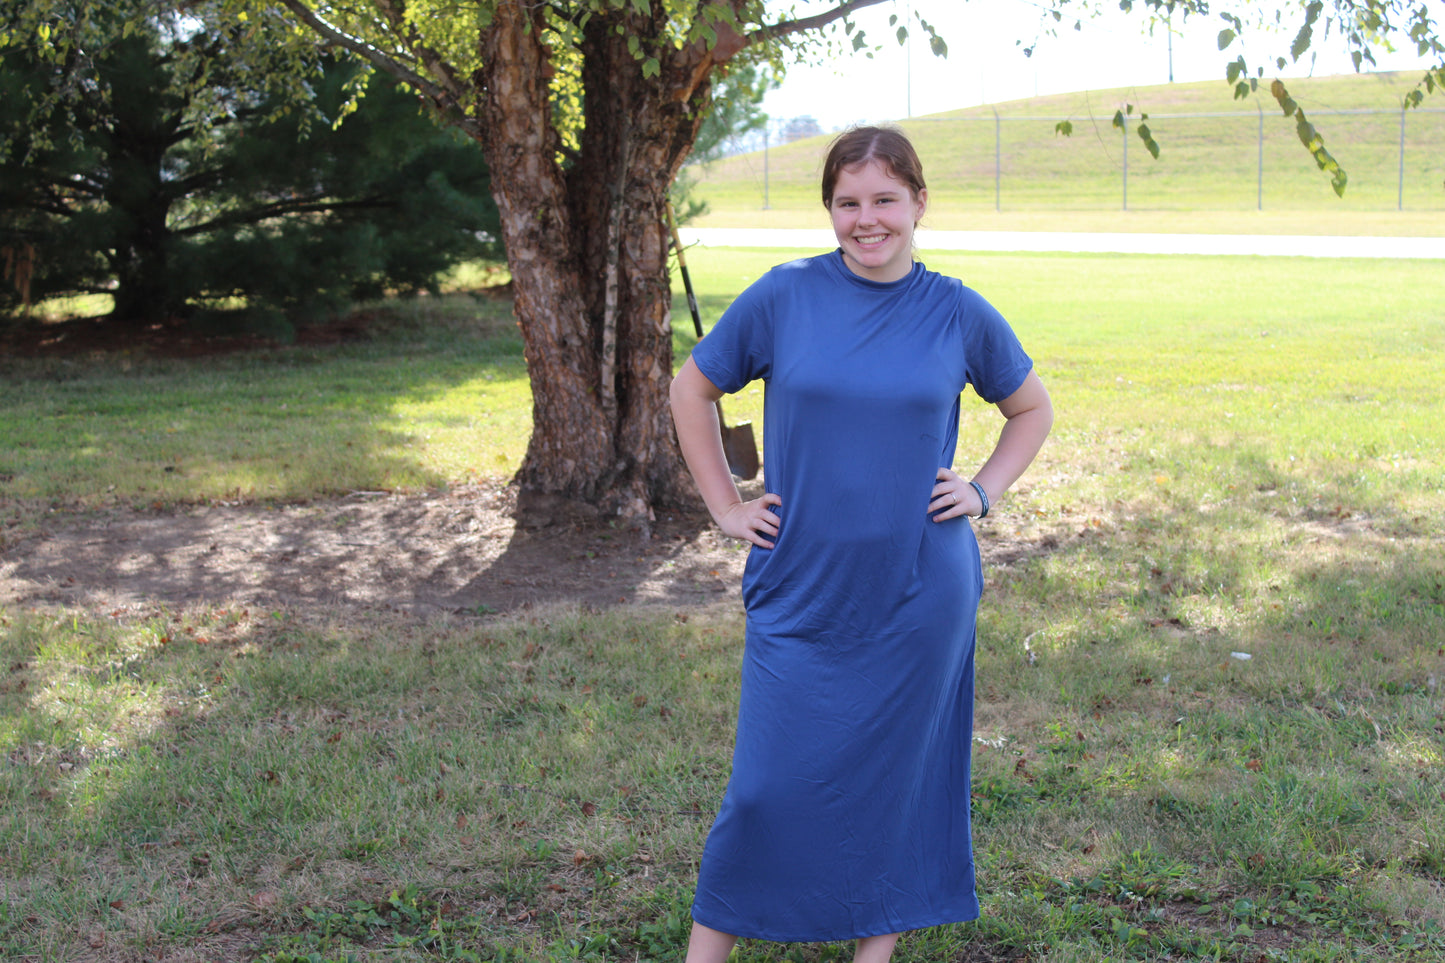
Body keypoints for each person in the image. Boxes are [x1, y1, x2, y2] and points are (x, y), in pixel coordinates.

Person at [669, 125, 1053, 963]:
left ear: (918, 202)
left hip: (920, 587)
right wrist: (725, 507)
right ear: (829, 209)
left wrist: (982, 489)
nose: (866, 219)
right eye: (848, 202)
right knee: (763, 791)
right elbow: (690, 387)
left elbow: (1031, 408)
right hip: (799, 580)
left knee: (894, 780)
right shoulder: (783, 296)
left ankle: (870, 956)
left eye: (884, 199)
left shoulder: (956, 309)